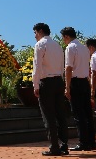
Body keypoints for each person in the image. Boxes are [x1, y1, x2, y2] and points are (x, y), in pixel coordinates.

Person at [33, 23, 69, 156]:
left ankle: (54, 146)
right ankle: (64, 144)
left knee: (48, 116)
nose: (35, 36)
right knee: (60, 114)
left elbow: (37, 66)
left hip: (46, 82)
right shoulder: (58, 45)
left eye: (35, 33)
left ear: (40, 31)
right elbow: (62, 66)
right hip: (59, 81)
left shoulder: (40, 45)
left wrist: (35, 85)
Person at [61, 27, 96, 151]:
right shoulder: (84, 48)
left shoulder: (70, 48)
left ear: (66, 36)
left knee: (78, 114)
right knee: (87, 113)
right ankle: (91, 142)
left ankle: (83, 142)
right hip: (85, 82)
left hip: (75, 82)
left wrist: (67, 87)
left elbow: (68, 68)